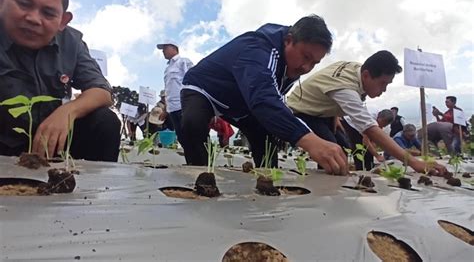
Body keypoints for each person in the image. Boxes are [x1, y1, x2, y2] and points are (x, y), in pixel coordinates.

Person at [181, 15, 348, 175]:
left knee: (267, 137)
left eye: (314, 63)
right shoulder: (258, 49)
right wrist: (311, 142)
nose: (306, 67)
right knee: (192, 123)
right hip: (206, 89)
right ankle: (199, 178)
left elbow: (274, 103)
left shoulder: (292, 66)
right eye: (306, 57)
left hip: (243, 102)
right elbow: (263, 99)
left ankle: (267, 182)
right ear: (288, 40)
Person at [0, 0, 120, 161]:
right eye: (24, 3)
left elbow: (102, 91)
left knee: (104, 121)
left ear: (63, 20)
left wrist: (68, 112)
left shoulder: (72, 43)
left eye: (48, 13)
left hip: (52, 144)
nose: (33, 18)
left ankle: (95, 187)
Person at [286, 50, 446, 174]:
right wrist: (414, 162)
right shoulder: (346, 88)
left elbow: (326, 84)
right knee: (332, 151)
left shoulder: (357, 69)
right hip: (302, 110)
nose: (384, 90)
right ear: (366, 75)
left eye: (388, 84)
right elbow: (371, 129)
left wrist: (334, 114)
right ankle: (325, 193)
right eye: (383, 83)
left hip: (324, 112)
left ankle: (331, 180)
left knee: (343, 146)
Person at [156, 40, 193, 146]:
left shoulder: (183, 62)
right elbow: (168, 90)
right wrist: (166, 109)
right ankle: (190, 162)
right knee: (181, 137)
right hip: (172, 108)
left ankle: (200, 162)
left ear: (174, 48)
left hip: (183, 105)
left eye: (165, 48)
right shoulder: (167, 69)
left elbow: (192, 80)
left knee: (191, 136)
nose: (163, 51)